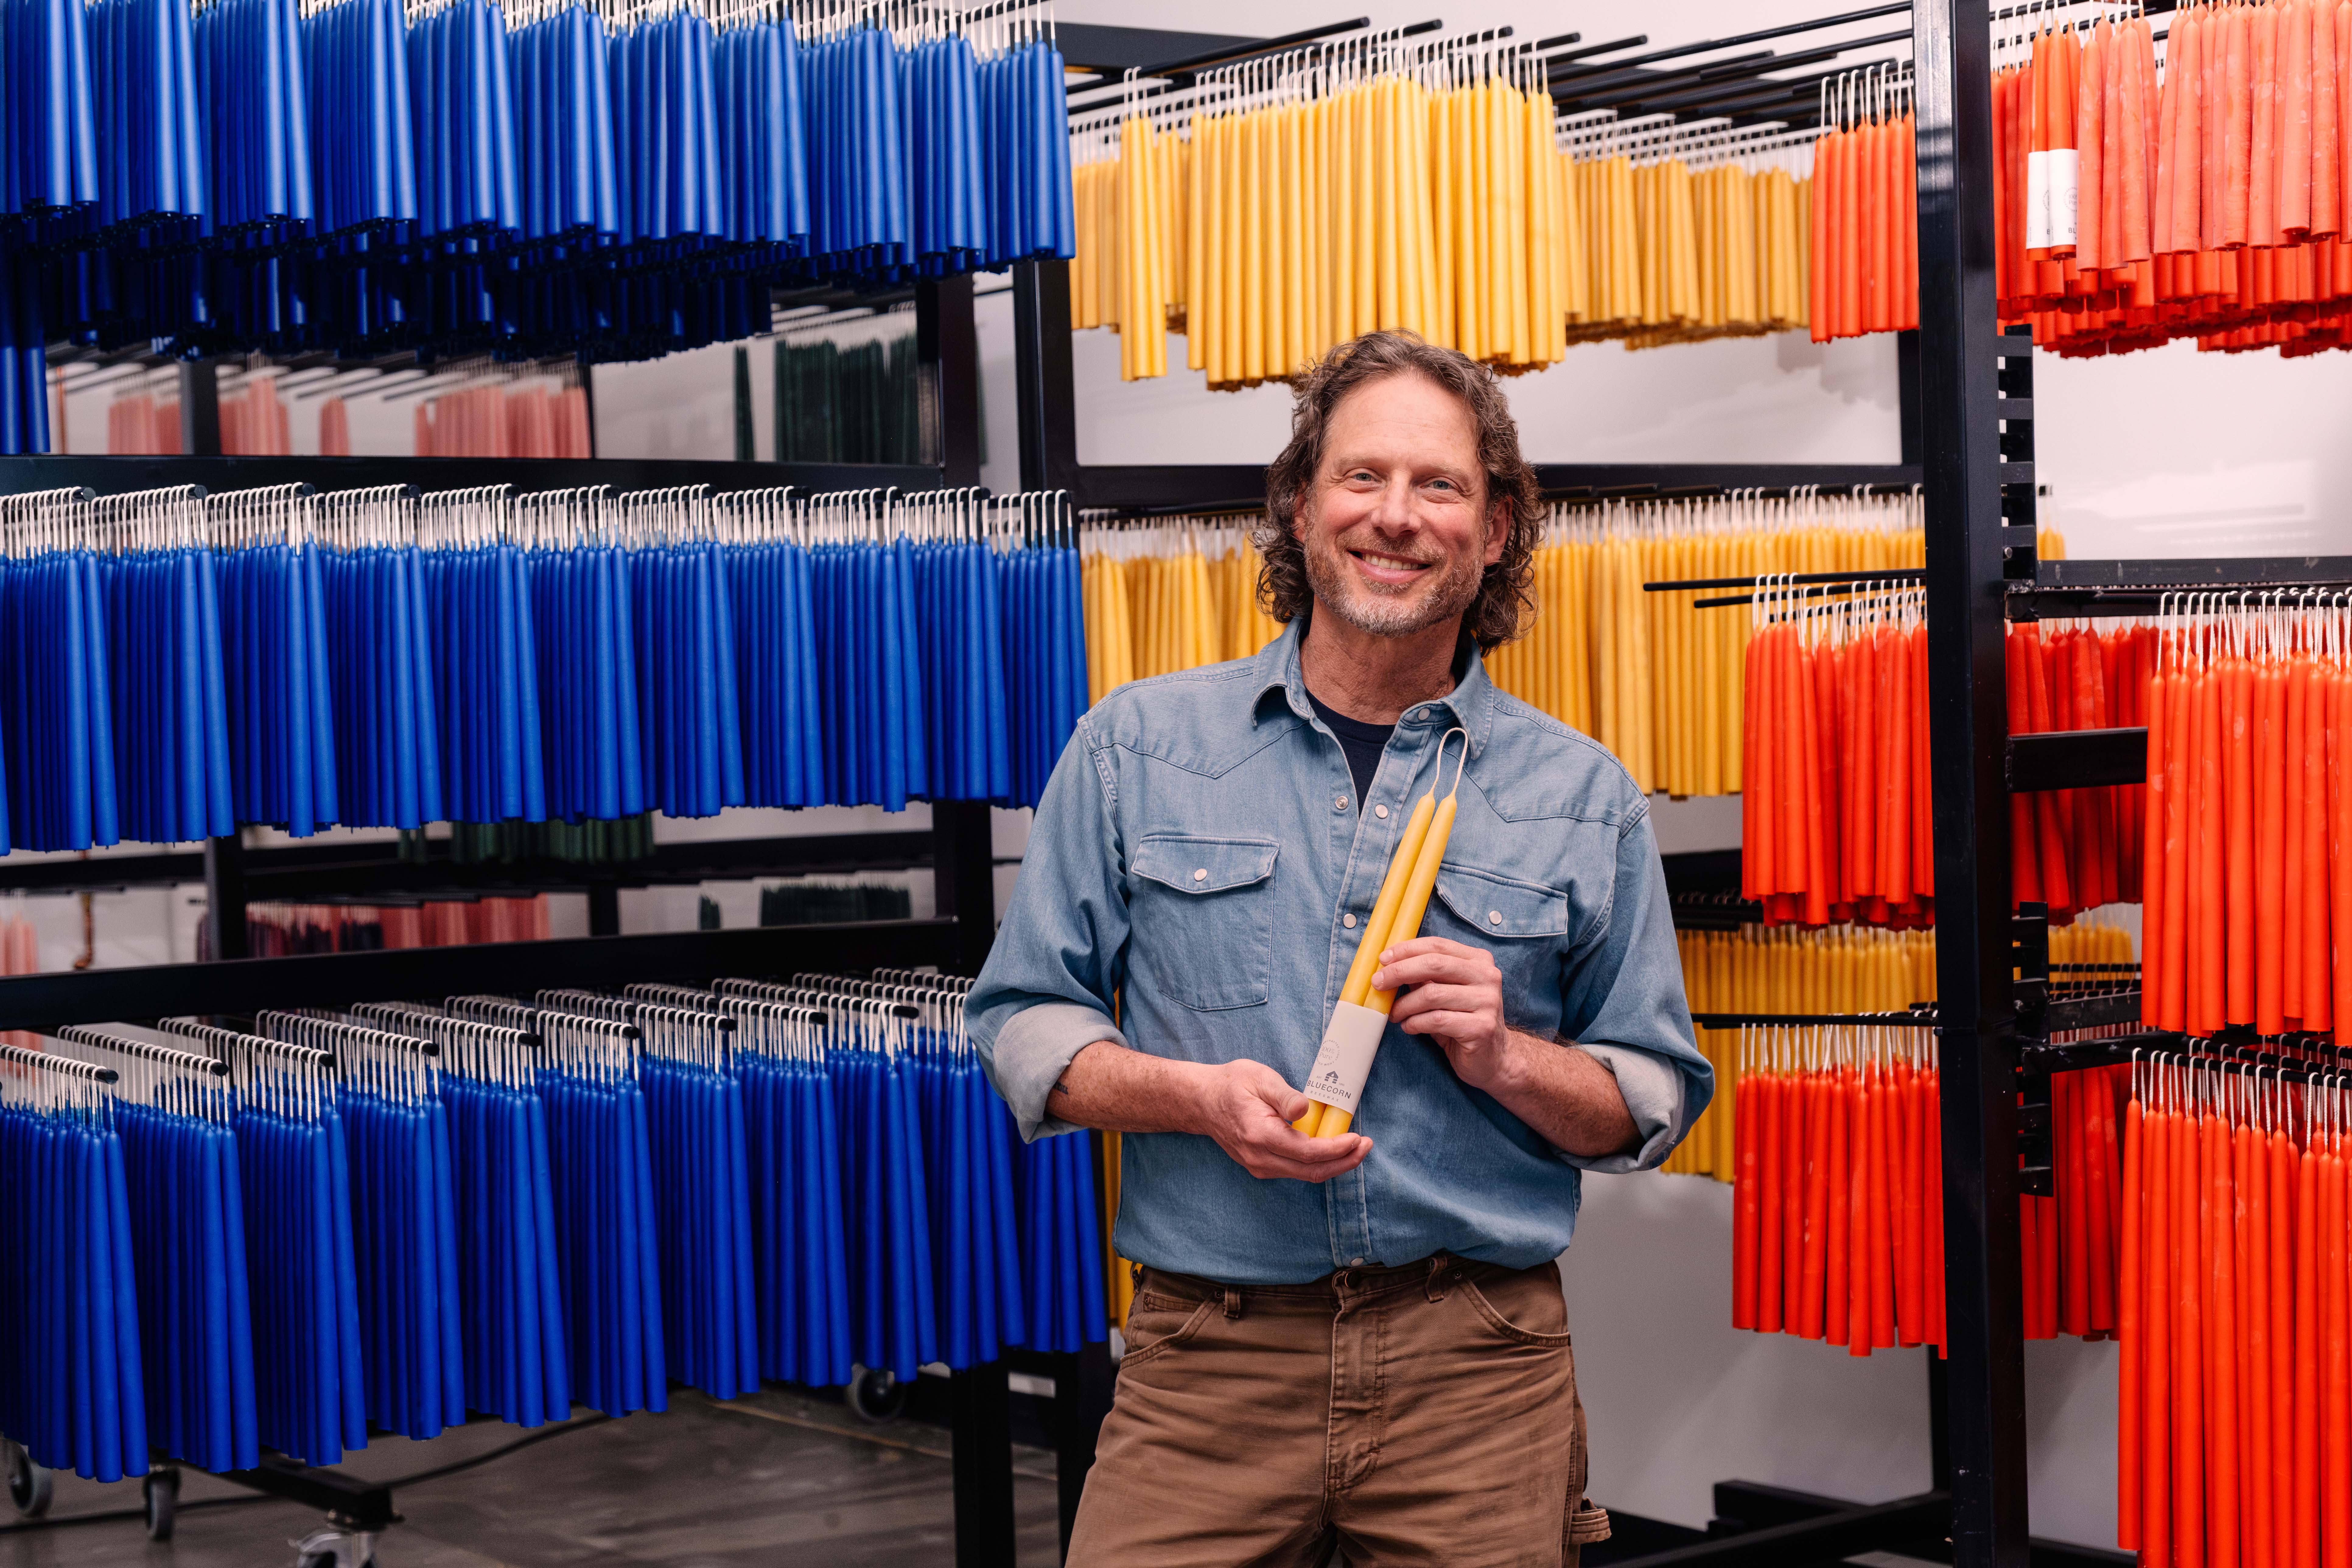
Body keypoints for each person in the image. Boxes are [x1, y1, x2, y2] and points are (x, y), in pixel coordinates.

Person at [967, 331, 1711, 1566]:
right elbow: (1023, 1023)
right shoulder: (1137, 748)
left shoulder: (1581, 795)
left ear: (1501, 528)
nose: (1397, 518)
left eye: (1442, 487)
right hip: (1210, 1353)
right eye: (1363, 478)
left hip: (1476, 1366)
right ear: (1299, 507)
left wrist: (1507, 1055)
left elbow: (1650, 1099)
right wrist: (1193, 1097)